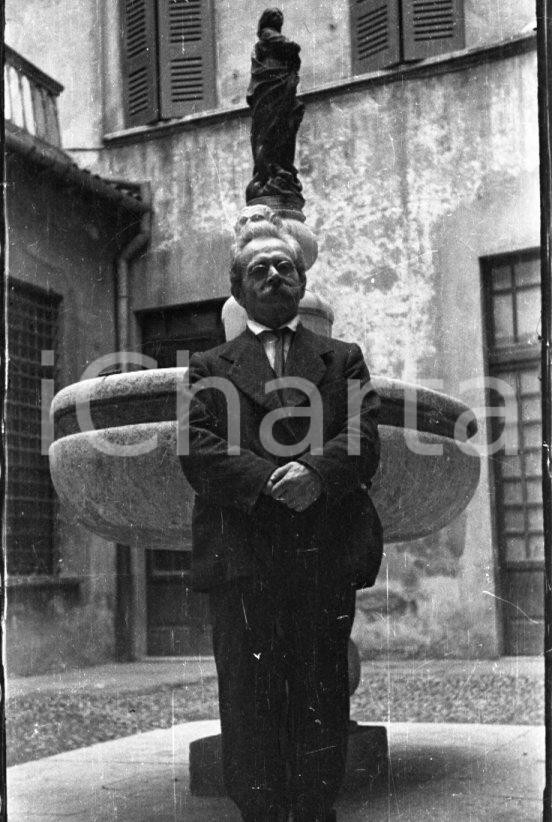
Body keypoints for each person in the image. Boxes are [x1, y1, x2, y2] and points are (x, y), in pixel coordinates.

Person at [179, 214, 382, 822]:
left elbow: (363, 435)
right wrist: (270, 479)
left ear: (299, 282)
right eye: (258, 268)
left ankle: (318, 811)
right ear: (239, 291)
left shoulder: (342, 358)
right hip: (243, 557)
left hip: (324, 550)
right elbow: (198, 447)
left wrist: (316, 474)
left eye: (284, 266)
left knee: (320, 696)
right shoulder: (210, 366)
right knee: (248, 701)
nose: (273, 275)